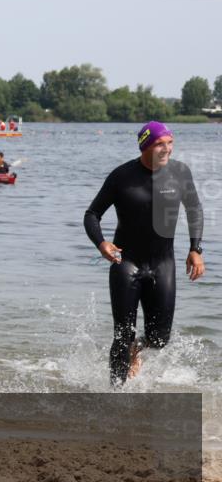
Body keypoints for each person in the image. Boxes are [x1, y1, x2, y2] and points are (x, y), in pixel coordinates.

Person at [84, 121, 204, 386]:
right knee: (122, 334)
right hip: (126, 263)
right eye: (161, 143)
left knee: (160, 339)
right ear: (146, 146)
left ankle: (136, 350)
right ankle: (116, 392)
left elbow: (194, 209)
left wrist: (195, 249)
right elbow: (92, 214)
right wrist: (101, 243)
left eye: (170, 142)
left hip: (162, 264)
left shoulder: (180, 174)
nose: (168, 149)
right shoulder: (122, 176)